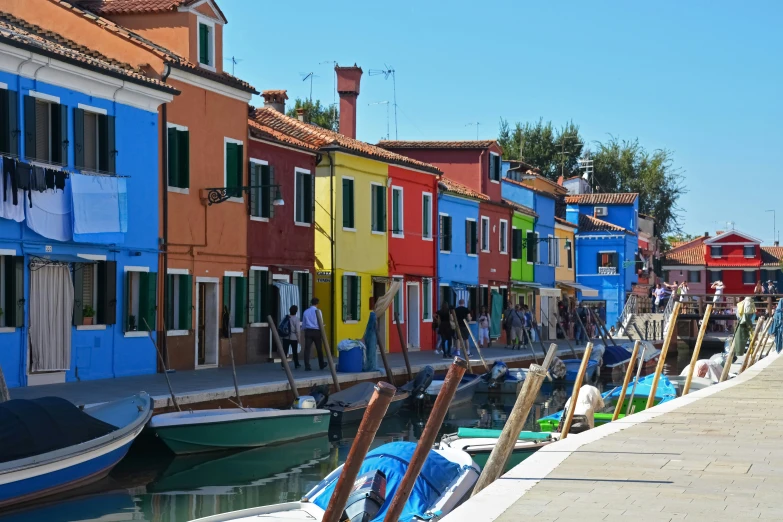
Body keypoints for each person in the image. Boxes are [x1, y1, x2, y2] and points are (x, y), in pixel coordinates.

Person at [302, 298, 326, 371]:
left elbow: (304, 323)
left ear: (311, 303)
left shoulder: (306, 312)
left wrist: (303, 330)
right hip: (316, 331)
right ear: (317, 304)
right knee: (319, 348)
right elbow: (320, 322)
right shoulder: (318, 311)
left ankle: (307, 366)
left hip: (308, 331)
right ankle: (321, 364)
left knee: (307, 349)